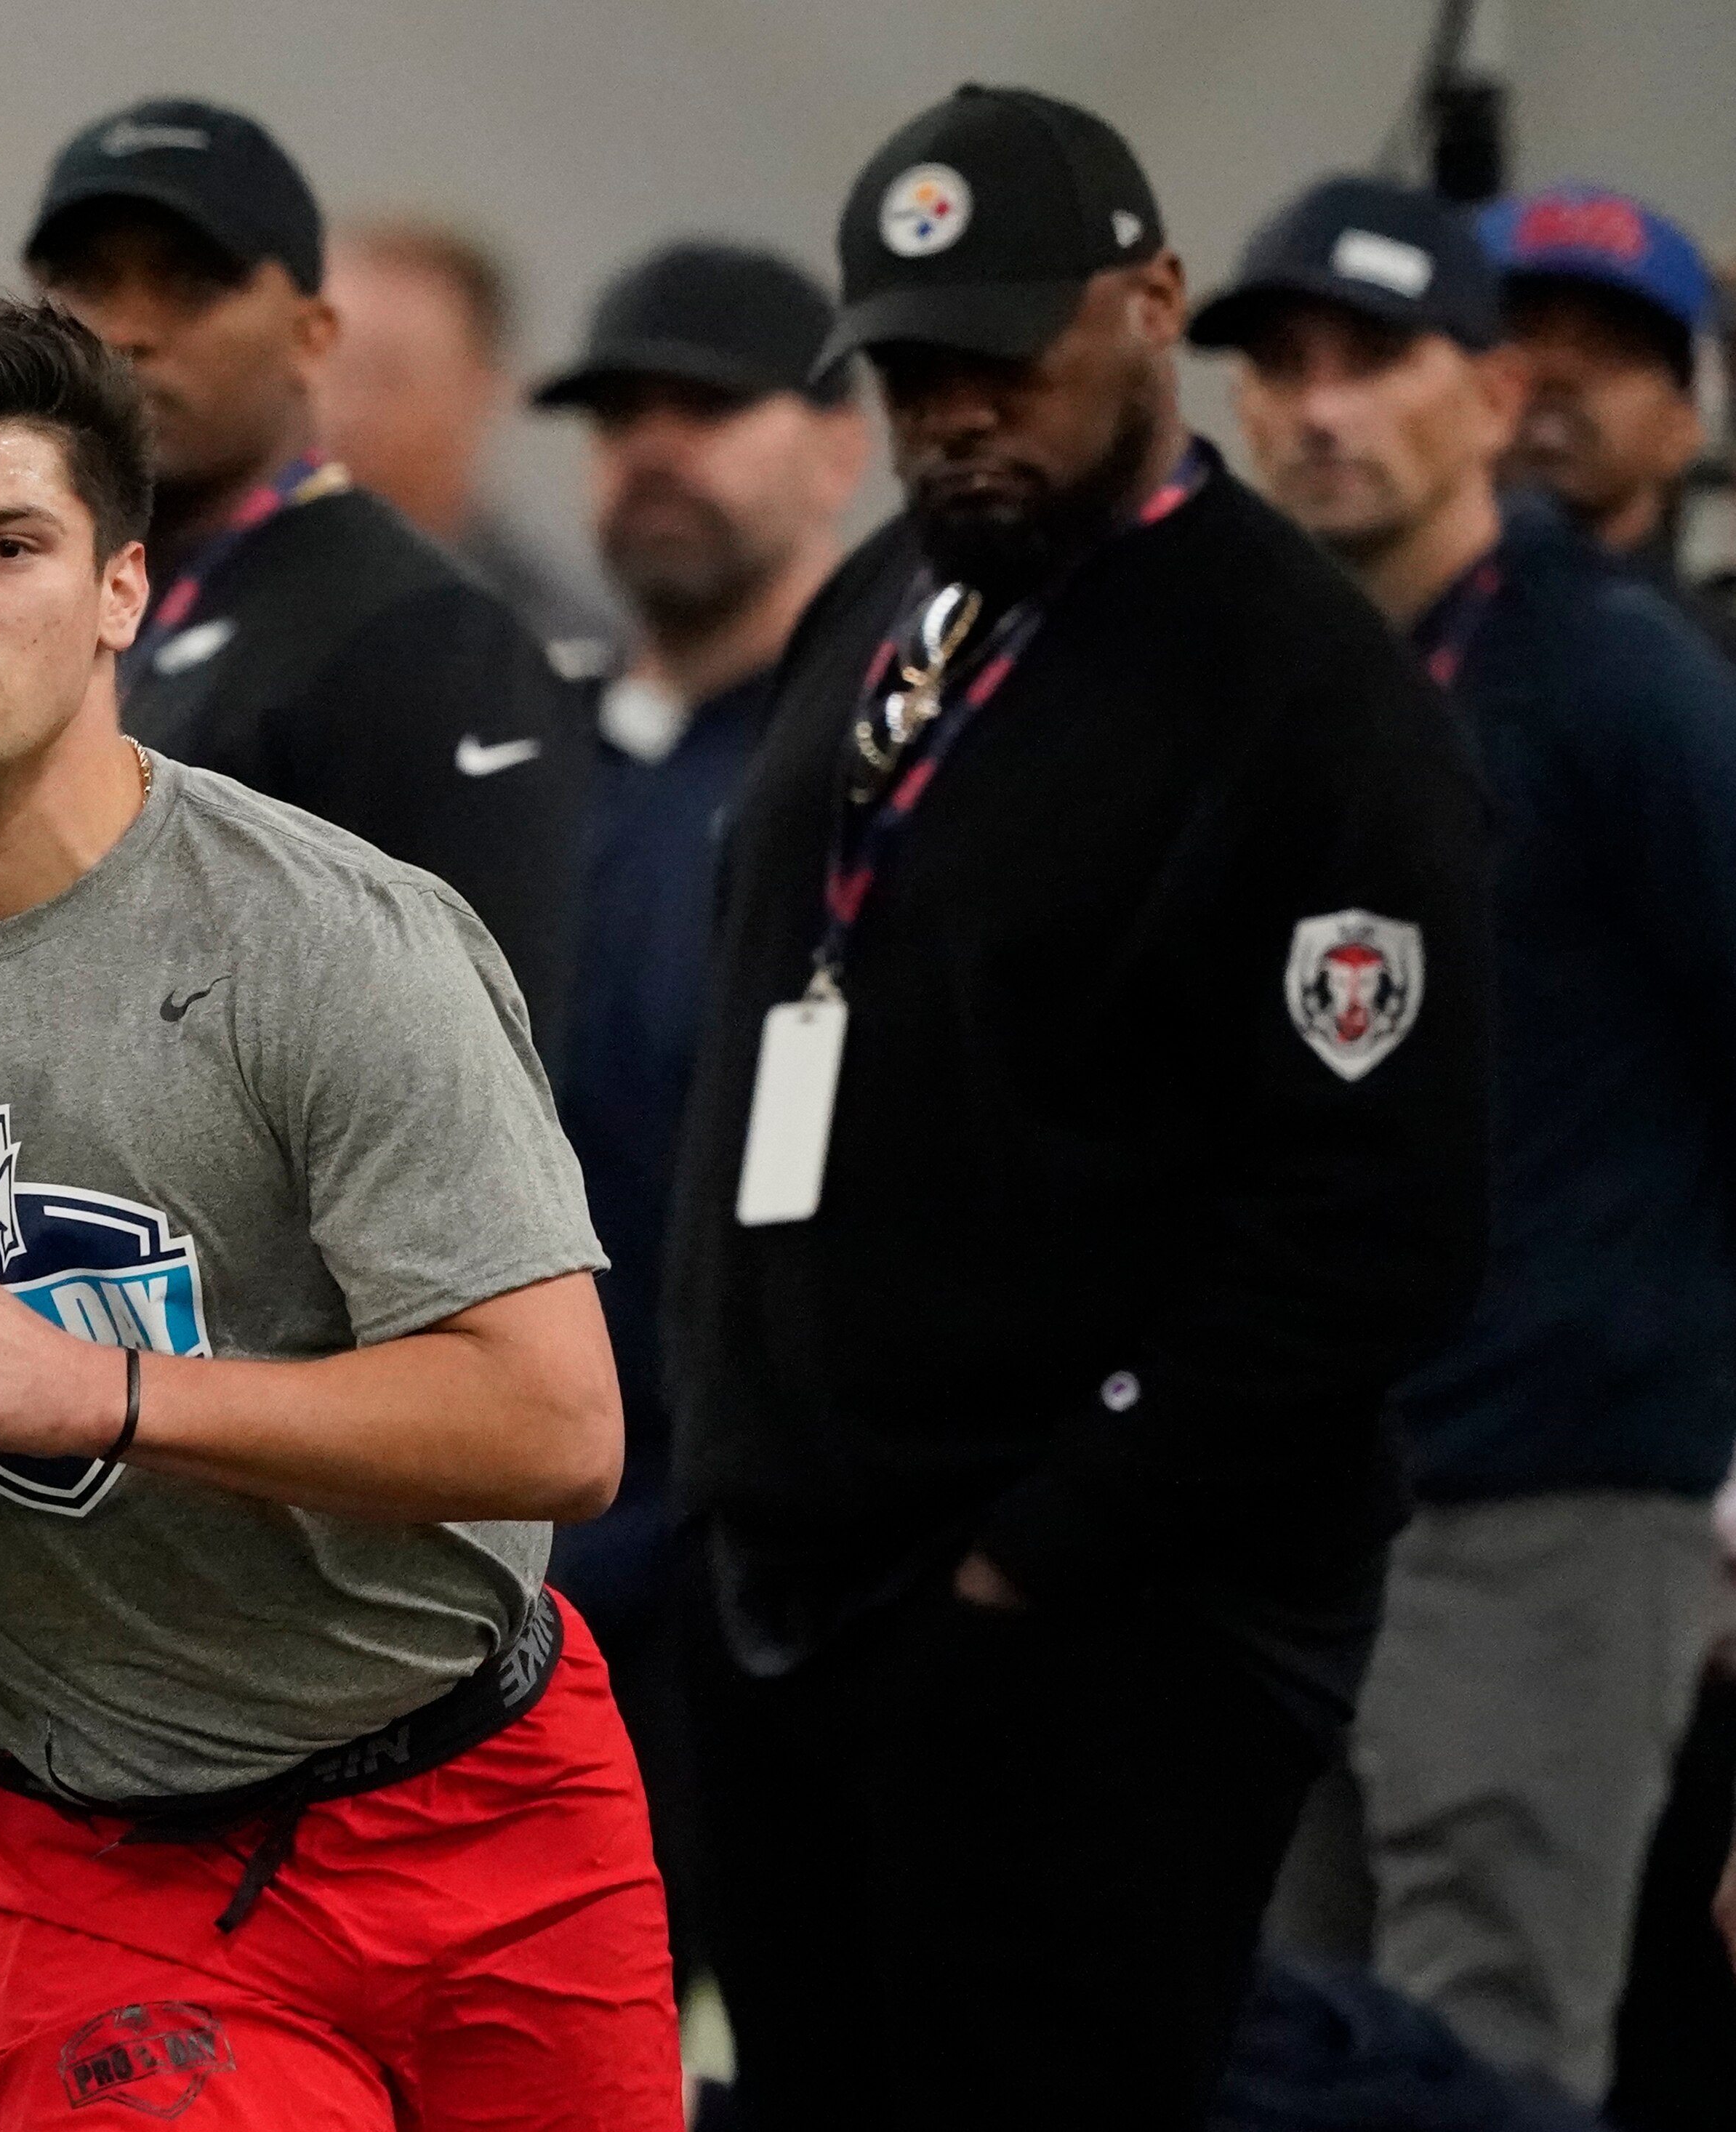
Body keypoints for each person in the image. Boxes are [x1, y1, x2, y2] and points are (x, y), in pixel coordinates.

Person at [0, 294, 681, 2130]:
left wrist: (90, 1392)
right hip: (94, 1871)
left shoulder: (334, 940)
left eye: (7, 544)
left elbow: (558, 1426)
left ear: (118, 594)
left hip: (480, 1796)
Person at [663, 88, 1494, 2129]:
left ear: (1146, 306)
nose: (953, 411)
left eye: (1001, 357)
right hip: (804, 1588)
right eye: (910, 368)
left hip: (1091, 1626)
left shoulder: (1298, 688)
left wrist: (1039, 1547)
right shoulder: (888, 604)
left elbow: (1367, 1213)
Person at [1200, 171, 1736, 2109]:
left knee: (1479, 2061)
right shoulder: (1261, 683)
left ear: (1481, 395)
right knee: (1253, 2045)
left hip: (1543, 1501)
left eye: (1370, 361)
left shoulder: (1614, 676)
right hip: (1281, 1505)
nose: (1315, 407)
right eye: (1277, 367)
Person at [521, 236, 867, 1990]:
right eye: (615, 413)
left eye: (705, 407)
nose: (650, 447)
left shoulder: (896, 750)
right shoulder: (523, 758)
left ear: (837, 446)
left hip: (805, 1553)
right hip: (540, 1544)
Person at [23, 98, 590, 1041]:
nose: (128, 329)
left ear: (312, 336)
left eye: (189, 284)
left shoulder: (419, 639)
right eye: (86, 282)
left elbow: (463, 1086)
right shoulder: (47, 619)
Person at [316, 214, 616, 662]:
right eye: (324, 365)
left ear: (486, 386)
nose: (344, 411)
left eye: (386, 375)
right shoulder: (199, 596)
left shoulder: (554, 648)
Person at [1477, 182, 1736, 656]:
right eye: (1515, 335)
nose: (1553, 371)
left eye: (1609, 345)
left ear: (1686, 422)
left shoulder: (1714, 679)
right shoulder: (1362, 652)